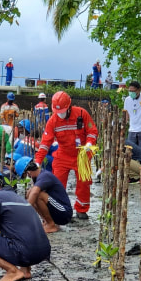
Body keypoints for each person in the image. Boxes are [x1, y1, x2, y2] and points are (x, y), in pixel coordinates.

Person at [34, 91, 99, 220]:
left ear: (69, 106)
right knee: (57, 183)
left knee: (84, 183)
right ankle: (59, 209)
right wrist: (37, 161)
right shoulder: (53, 121)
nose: (60, 115)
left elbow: (92, 131)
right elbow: (45, 143)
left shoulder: (81, 113)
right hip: (63, 155)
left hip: (82, 155)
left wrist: (89, 143)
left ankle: (81, 209)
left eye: (63, 111)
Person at [15, 157, 72, 233]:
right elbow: (31, 193)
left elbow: (35, 193)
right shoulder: (38, 177)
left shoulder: (45, 176)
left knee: (37, 195)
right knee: (30, 192)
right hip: (57, 211)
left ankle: (51, 225)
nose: (28, 177)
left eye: (26, 175)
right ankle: (47, 222)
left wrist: (24, 212)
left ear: (28, 172)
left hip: (64, 213)